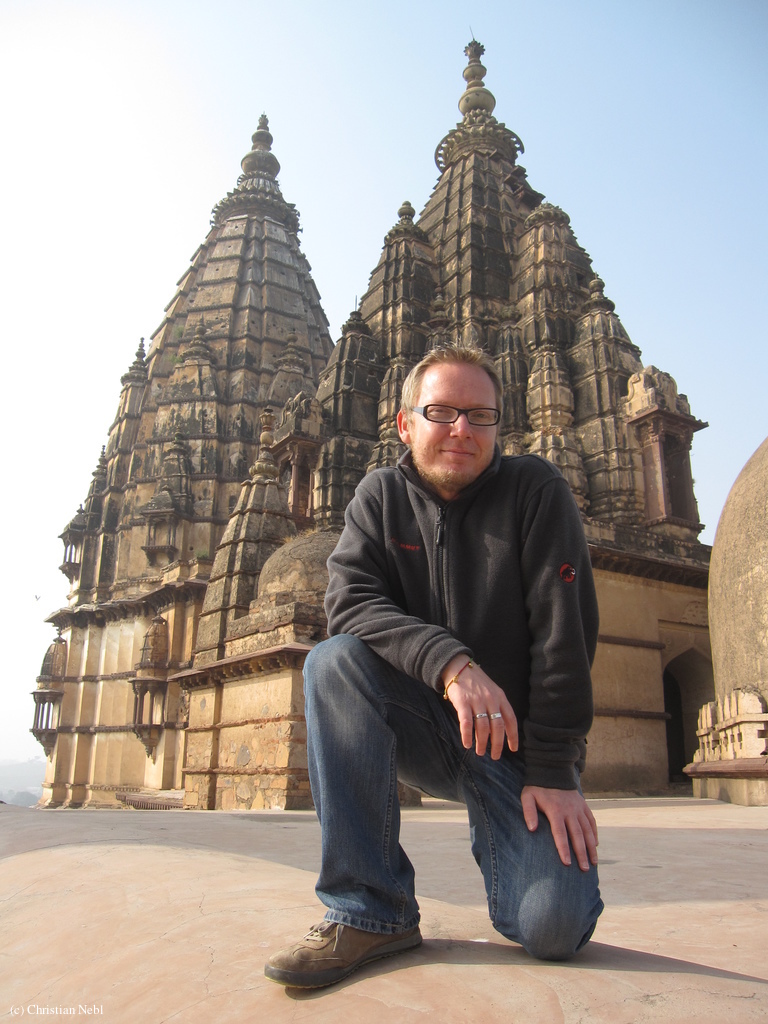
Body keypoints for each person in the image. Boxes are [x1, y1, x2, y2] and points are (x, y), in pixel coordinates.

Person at [265, 343, 603, 989]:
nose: (461, 430)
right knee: (333, 664)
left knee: (555, 929)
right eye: (441, 412)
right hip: (421, 721)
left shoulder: (536, 490)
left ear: (499, 425)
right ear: (405, 423)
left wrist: (556, 770)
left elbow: (565, 636)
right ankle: (370, 910)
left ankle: (506, 837)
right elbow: (349, 602)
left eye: (480, 416)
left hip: (512, 745)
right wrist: (450, 663)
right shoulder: (380, 496)